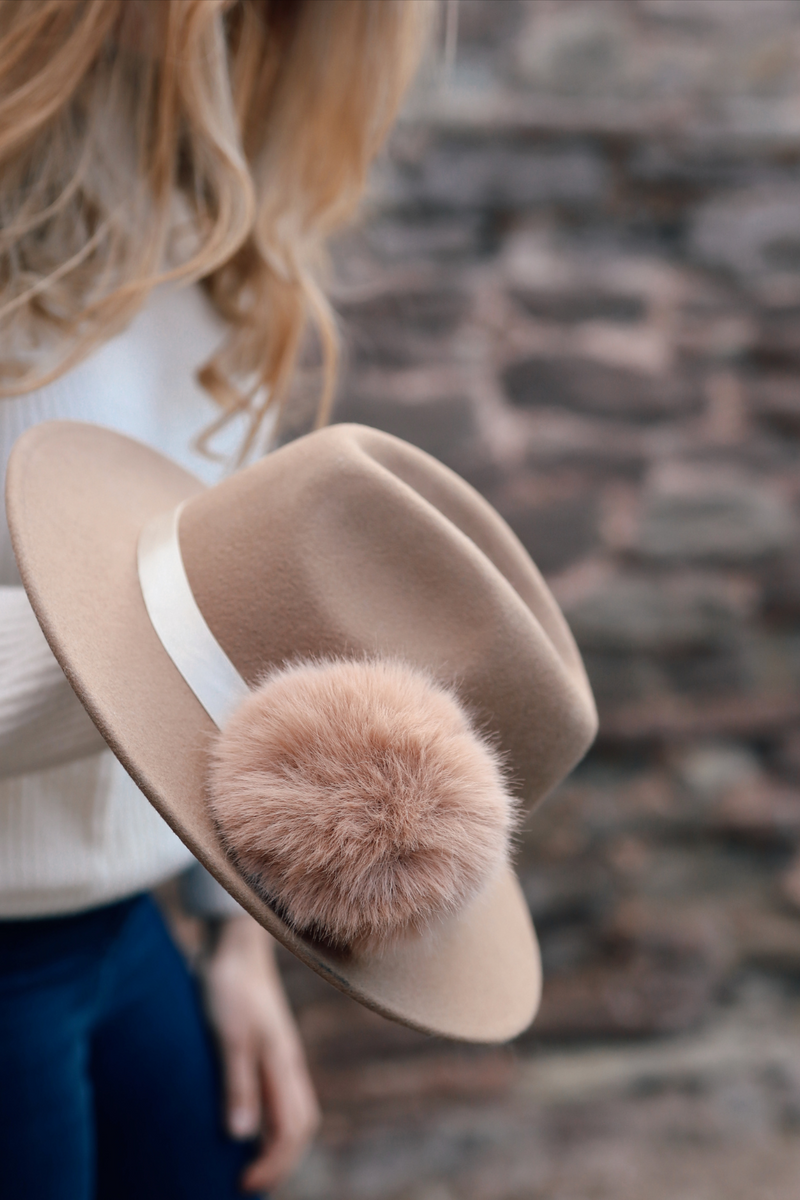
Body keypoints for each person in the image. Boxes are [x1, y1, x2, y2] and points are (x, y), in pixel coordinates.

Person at [0, 2, 430, 1197]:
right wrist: (200, 618)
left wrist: (234, 929)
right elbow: (198, 614)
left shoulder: (216, 219)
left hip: (129, 932)